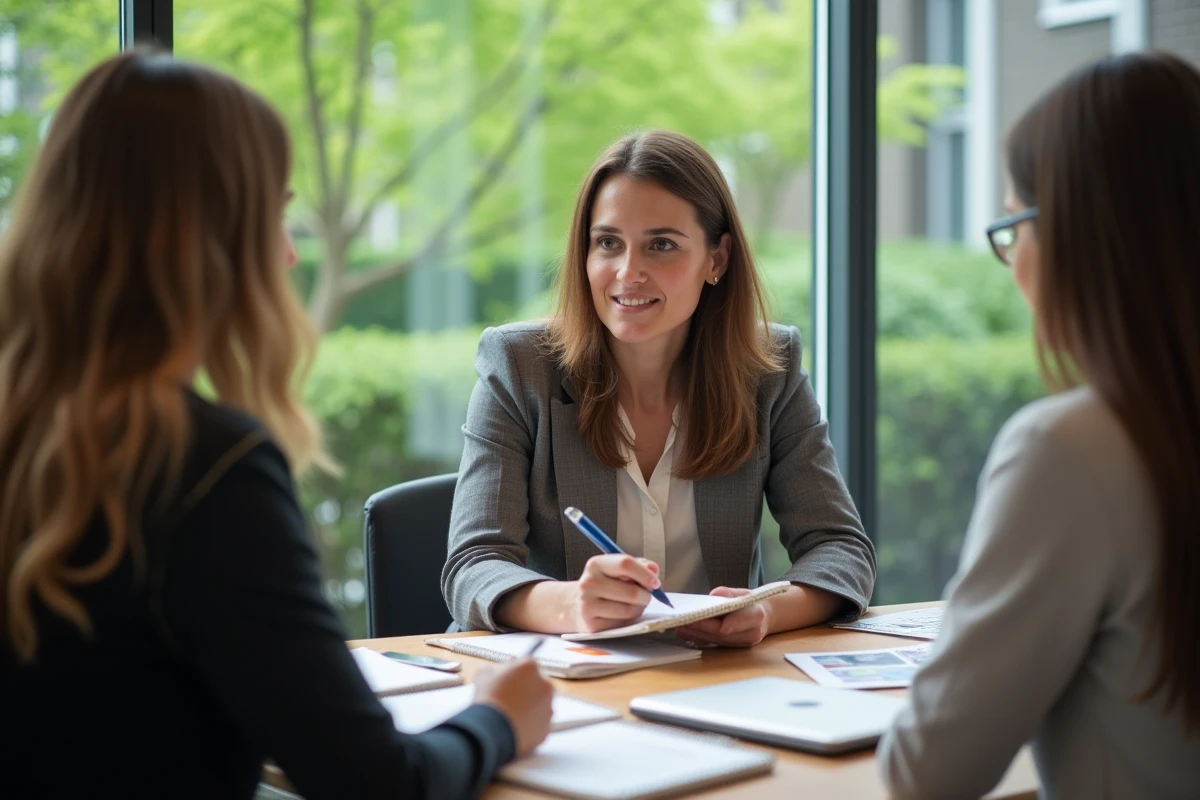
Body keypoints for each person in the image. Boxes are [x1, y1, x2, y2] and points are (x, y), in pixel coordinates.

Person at [0, 51, 552, 800]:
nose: (289, 252)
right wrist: (497, 720)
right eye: (273, 214)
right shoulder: (204, 465)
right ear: (202, 237)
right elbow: (376, 783)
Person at [878, 51, 1200, 799]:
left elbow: (926, 773)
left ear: (1084, 237)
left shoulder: (1072, 449)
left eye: (1015, 223)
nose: (1013, 258)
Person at [442, 130, 875, 644]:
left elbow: (841, 548)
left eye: (661, 245)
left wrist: (765, 612)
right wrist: (571, 606)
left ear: (716, 260)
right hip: (562, 683)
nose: (629, 272)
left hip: (715, 681)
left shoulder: (769, 371)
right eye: (608, 243)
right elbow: (473, 564)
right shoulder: (519, 366)